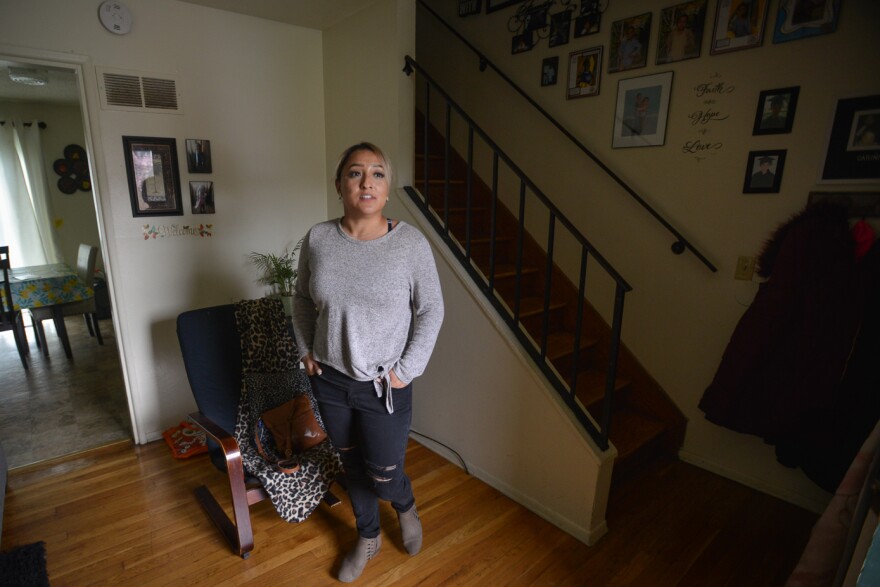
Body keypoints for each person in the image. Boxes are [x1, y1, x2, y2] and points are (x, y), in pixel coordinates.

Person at [292, 142, 444, 583]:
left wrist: (405, 370)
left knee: (384, 474)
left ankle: (404, 505)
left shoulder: (409, 244)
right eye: (356, 173)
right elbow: (302, 299)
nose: (367, 182)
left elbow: (431, 309)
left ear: (387, 185)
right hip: (331, 382)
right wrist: (305, 348)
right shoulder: (319, 239)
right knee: (351, 466)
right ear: (339, 184)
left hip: (385, 386)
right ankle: (368, 535)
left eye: (377, 173)